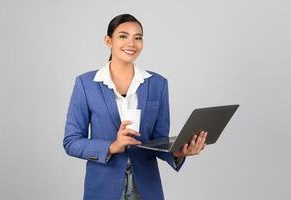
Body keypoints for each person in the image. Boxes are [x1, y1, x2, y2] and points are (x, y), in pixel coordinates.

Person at [63, 13, 207, 200]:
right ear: (108, 41)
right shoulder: (86, 84)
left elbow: (158, 140)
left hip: (146, 188)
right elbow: (71, 141)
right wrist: (113, 146)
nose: (132, 43)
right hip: (103, 188)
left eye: (137, 37)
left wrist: (178, 152)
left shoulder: (158, 84)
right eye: (123, 36)